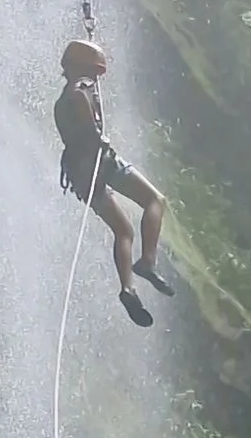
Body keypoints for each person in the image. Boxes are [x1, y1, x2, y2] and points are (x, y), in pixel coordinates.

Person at [54, 36, 171, 326]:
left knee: (123, 231)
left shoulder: (60, 99)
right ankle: (147, 261)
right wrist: (96, 133)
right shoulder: (80, 88)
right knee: (155, 200)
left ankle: (127, 288)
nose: (96, 78)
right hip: (100, 162)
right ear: (83, 67)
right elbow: (81, 102)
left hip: (80, 174)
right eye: (95, 72)